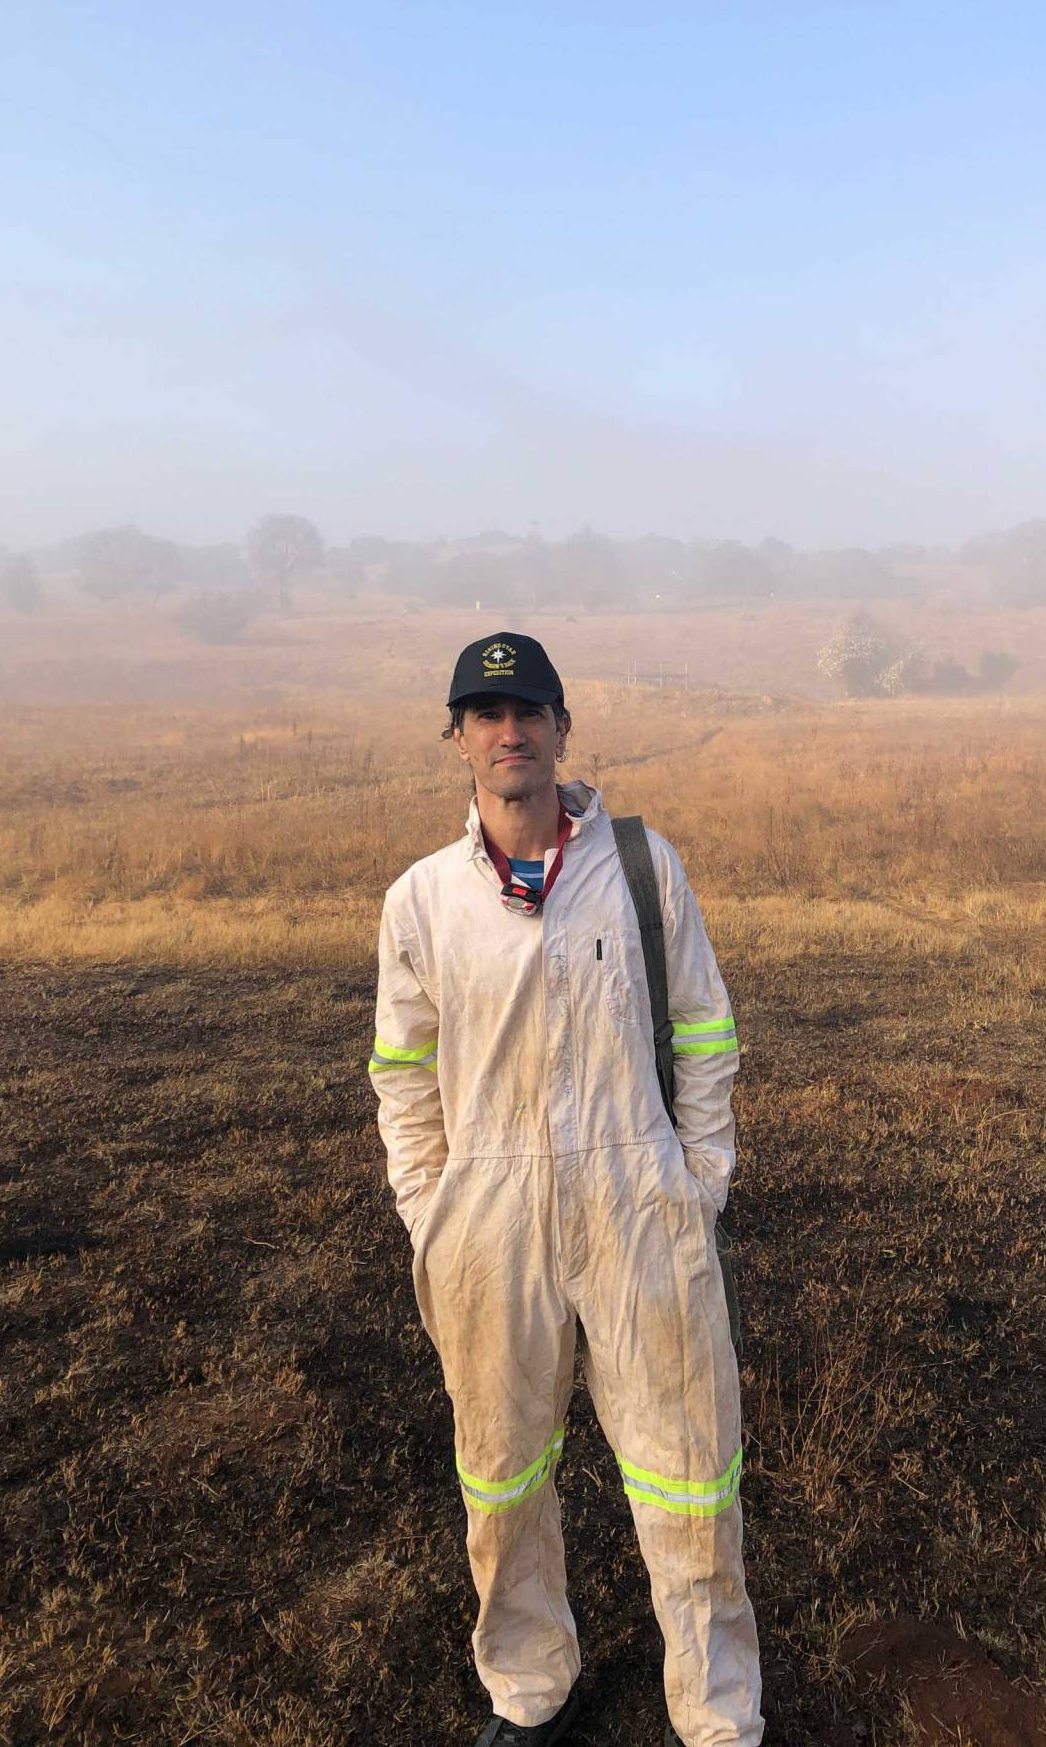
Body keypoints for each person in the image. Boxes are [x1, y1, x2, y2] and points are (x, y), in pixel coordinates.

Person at [369, 632, 764, 1747]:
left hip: (640, 1200)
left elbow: (705, 1030)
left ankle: (718, 1711)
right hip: (486, 1221)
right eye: (486, 715)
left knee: (690, 1470)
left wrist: (699, 1179)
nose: (510, 732)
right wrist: (430, 1212)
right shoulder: (421, 903)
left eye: (529, 710)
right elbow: (404, 1076)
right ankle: (531, 1686)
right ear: (457, 740)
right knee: (500, 1473)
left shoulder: (640, 866)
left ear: (560, 730)